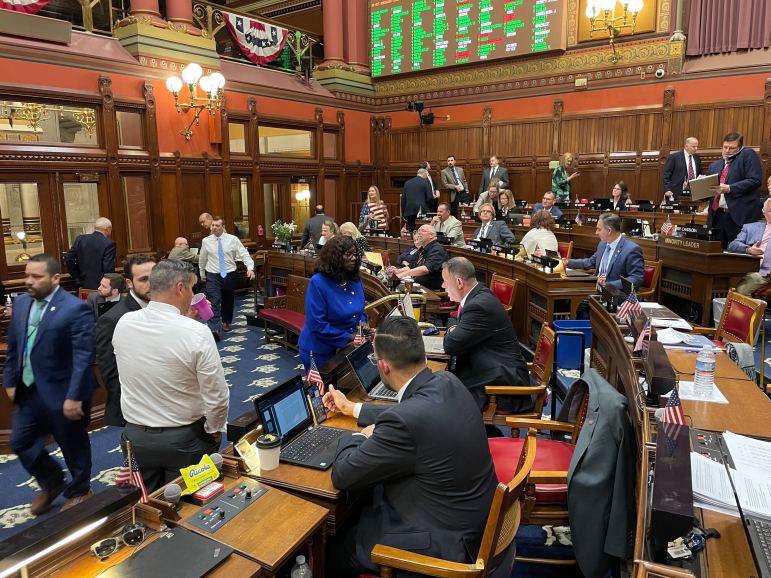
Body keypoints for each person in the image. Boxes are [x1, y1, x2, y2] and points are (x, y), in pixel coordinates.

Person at [323, 316, 498, 577]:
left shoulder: (405, 421)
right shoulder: (449, 381)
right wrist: (352, 409)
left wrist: (359, 437)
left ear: (383, 366)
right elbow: (411, 415)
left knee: (335, 549)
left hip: (444, 543)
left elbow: (343, 474)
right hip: (473, 521)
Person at [113, 260, 229, 492]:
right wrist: (216, 428)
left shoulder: (124, 323)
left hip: (136, 439)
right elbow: (216, 393)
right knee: (188, 508)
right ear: (180, 288)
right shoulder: (196, 332)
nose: (193, 295)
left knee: (147, 507)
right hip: (184, 440)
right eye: (192, 288)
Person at [3, 254, 95, 514]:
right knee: (20, 442)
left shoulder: (74, 307)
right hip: (28, 391)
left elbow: (83, 355)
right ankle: (52, 481)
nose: (29, 281)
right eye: (27, 275)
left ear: (55, 278)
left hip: (64, 392)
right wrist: (10, 381)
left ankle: (81, 490)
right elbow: (14, 347)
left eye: (37, 276)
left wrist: (75, 396)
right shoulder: (21, 303)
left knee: (72, 444)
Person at [441, 257, 532, 413]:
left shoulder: (478, 305)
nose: (443, 286)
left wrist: (452, 329)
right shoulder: (478, 294)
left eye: (445, 282)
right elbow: (455, 318)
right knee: (444, 380)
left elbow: (451, 345)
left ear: (459, 283)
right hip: (490, 366)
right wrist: (454, 327)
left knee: (442, 388)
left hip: (502, 381)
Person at [96, 254, 156, 428]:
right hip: (138, 410)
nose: (151, 284)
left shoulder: (167, 306)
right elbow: (110, 373)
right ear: (129, 283)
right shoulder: (113, 319)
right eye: (144, 279)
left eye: (155, 278)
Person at [298, 237, 366, 370]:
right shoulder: (318, 283)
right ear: (334, 257)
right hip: (320, 349)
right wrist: (348, 337)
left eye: (355, 254)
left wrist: (362, 326)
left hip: (348, 347)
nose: (353, 258)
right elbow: (317, 324)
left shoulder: (354, 280)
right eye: (348, 254)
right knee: (322, 389)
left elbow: (360, 312)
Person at [566, 213, 645, 318]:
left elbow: (637, 278)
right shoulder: (602, 244)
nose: (596, 232)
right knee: (569, 297)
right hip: (595, 288)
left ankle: (584, 332)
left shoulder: (631, 250)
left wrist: (609, 284)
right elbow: (590, 262)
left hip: (614, 294)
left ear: (609, 231)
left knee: (581, 306)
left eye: (599, 229)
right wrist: (567, 262)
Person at [199, 216, 255, 340]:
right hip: (213, 274)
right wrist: (202, 273)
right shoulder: (206, 241)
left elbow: (244, 254)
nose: (214, 227)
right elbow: (202, 258)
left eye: (217, 225)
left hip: (229, 274)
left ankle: (226, 321)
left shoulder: (233, 239)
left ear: (223, 227)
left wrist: (250, 268)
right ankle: (214, 328)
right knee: (215, 300)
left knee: (228, 299)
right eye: (213, 225)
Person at [707, 132, 763, 249]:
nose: (727, 151)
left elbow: (755, 180)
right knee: (716, 254)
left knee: (737, 255)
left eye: (731, 148)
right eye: (725, 147)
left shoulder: (747, 155)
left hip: (738, 216)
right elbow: (708, 194)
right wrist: (698, 188)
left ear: (740, 148)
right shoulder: (714, 166)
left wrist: (729, 188)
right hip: (716, 217)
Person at [729, 188, 771, 295]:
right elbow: (733, 245)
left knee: (741, 291)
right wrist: (748, 249)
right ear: (764, 212)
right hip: (745, 270)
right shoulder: (750, 228)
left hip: (765, 273)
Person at [391, 224, 449, 291]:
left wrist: (402, 274)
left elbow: (426, 269)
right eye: (418, 231)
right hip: (418, 285)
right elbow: (411, 266)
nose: (419, 233)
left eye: (423, 231)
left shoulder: (437, 249)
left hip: (431, 290)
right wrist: (398, 271)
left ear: (431, 235)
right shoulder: (422, 249)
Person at [64, 217, 116, 289]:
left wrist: (77, 277)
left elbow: (68, 258)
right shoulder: (109, 244)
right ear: (108, 229)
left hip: (83, 285)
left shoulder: (80, 239)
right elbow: (108, 269)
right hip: (101, 287)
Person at [662, 137, 702, 203]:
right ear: (686, 146)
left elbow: (700, 174)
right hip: (675, 194)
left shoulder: (697, 158)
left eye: (697, 146)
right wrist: (667, 189)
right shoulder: (674, 157)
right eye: (693, 146)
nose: (696, 149)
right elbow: (666, 175)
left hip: (693, 194)